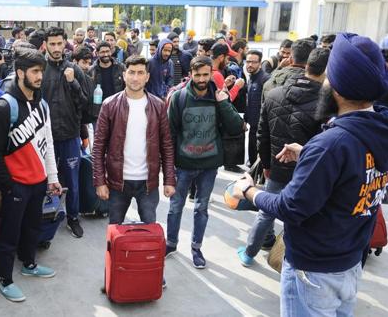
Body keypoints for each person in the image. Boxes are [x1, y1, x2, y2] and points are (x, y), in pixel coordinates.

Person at [234, 33, 388, 317]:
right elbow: (353, 170)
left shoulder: (331, 145)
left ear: (339, 88)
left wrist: (250, 191)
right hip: (349, 263)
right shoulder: (383, 129)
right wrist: (309, 152)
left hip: (314, 270)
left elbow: (291, 207)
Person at [237, 48, 329, 267]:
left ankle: (249, 253)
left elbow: (261, 134)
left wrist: (267, 165)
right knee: (302, 216)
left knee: (266, 211)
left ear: (304, 66)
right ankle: (291, 260)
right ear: (326, 71)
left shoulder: (273, 93)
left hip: (277, 167)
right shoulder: (328, 103)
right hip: (309, 171)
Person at [0, 47, 61, 302]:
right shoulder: (5, 106)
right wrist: (8, 184)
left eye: (42, 71)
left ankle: (29, 264)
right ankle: (5, 280)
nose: (40, 76)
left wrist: (52, 178)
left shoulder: (41, 104)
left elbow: (47, 141)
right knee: (9, 234)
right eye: (35, 71)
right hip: (16, 184)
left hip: (39, 182)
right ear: (20, 73)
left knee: (33, 228)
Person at [165, 56, 244, 268]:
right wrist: (169, 167)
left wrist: (223, 103)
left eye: (205, 75)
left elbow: (237, 127)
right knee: (175, 207)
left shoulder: (219, 97)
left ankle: (196, 247)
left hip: (209, 166)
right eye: (197, 74)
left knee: (201, 209)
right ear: (191, 74)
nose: (201, 79)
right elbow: (169, 134)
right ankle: (171, 243)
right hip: (183, 165)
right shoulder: (179, 98)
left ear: (211, 74)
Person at [93, 54, 176, 225]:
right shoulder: (109, 105)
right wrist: (100, 181)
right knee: (115, 232)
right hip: (117, 183)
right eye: (131, 72)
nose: (135, 78)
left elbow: (166, 146)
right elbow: (98, 147)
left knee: (149, 230)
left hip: (148, 182)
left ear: (147, 77)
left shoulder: (158, 106)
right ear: (124, 75)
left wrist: (169, 180)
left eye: (140, 73)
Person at [41, 26, 87, 238]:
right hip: (44, 138)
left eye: (60, 43)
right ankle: (44, 220)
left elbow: (84, 104)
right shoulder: (39, 69)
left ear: (65, 43)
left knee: (72, 181)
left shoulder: (74, 70)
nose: (56, 48)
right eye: (52, 44)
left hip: (69, 135)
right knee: (44, 181)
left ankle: (73, 218)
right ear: (46, 45)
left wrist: (73, 82)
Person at [243, 50, 269, 166]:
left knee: (258, 158)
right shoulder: (251, 77)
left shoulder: (265, 79)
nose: (250, 65)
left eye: (254, 62)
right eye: (248, 61)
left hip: (261, 126)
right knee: (252, 156)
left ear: (260, 63)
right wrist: (245, 119)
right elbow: (249, 101)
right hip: (253, 124)